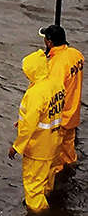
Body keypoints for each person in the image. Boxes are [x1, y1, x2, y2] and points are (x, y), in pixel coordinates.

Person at [9, 50, 66, 213]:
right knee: (48, 178)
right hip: (54, 142)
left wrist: (17, 147)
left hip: (38, 148)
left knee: (33, 187)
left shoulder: (35, 93)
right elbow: (49, 112)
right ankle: (46, 197)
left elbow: (28, 125)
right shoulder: (56, 83)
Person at [41, 24, 83, 174]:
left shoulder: (56, 65)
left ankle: (58, 183)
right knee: (69, 149)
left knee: (56, 157)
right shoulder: (76, 54)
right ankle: (71, 171)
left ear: (50, 42)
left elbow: (53, 92)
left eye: (45, 39)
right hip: (74, 111)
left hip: (61, 116)